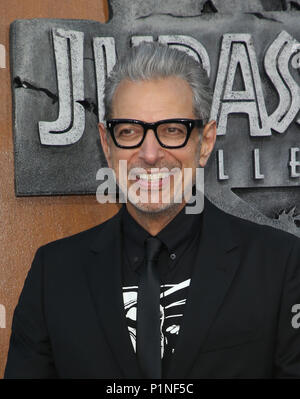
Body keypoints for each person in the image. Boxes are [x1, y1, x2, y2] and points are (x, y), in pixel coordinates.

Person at [5, 42, 300, 379]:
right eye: (129, 131)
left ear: (204, 143)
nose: (149, 154)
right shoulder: (54, 273)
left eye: (172, 130)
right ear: (107, 144)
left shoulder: (280, 263)